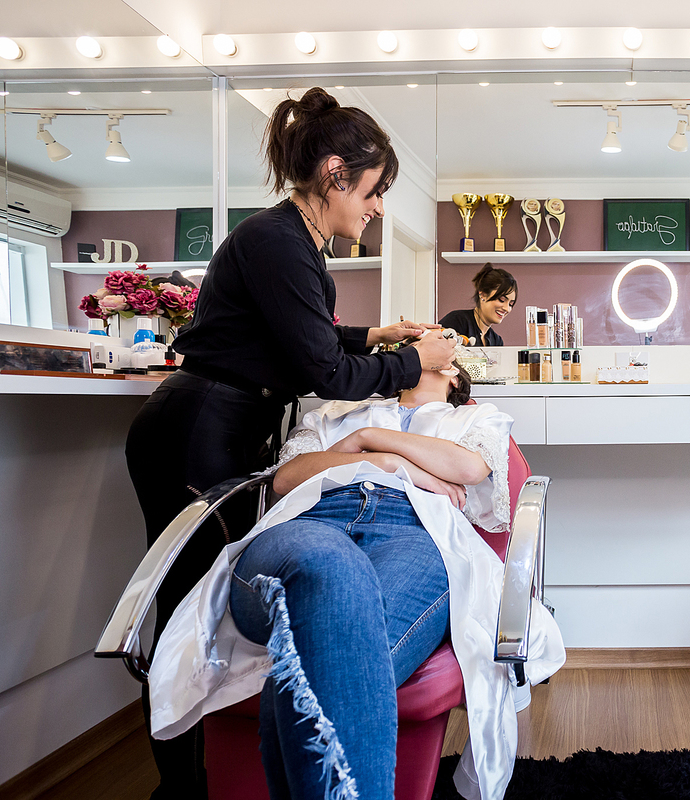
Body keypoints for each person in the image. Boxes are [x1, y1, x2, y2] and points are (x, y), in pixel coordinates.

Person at [125, 86, 456, 799]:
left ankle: (203, 774)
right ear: (335, 175)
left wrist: (375, 336)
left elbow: (305, 336)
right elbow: (322, 372)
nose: (376, 208)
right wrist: (412, 363)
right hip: (197, 429)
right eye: (372, 191)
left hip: (223, 424)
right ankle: (181, 786)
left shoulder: (292, 240)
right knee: (188, 604)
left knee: (204, 599)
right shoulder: (276, 241)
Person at [146, 358, 565, 800]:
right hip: (312, 521)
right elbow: (287, 478)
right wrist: (391, 462)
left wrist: (367, 441)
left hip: (417, 531)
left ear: (454, 374)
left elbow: (466, 470)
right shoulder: (332, 414)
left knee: (336, 646)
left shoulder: (476, 418)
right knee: (329, 567)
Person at [438, 263, 517, 346]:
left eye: (511, 304)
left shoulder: (497, 340)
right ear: (483, 295)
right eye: (502, 300)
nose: (507, 308)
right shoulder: (457, 321)